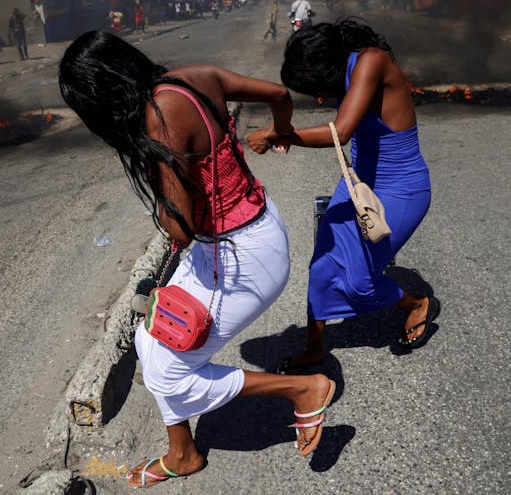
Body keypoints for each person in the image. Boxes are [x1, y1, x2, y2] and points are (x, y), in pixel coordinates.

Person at [58, 31, 337, 487]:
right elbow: (279, 94)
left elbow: (180, 228)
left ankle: (303, 390)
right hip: (250, 231)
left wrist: (154, 165)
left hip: (242, 256)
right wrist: (280, 131)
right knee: (151, 339)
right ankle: (182, 452)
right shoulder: (191, 77)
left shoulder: (158, 122)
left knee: (169, 374)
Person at [247, 18, 436, 374]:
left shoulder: (371, 60)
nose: (319, 96)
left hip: (401, 188)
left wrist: (278, 134)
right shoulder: (351, 71)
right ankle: (315, 348)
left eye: (316, 88)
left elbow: (342, 131)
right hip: (358, 183)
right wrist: (286, 134)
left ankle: (414, 303)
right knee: (321, 267)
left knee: (357, 281)